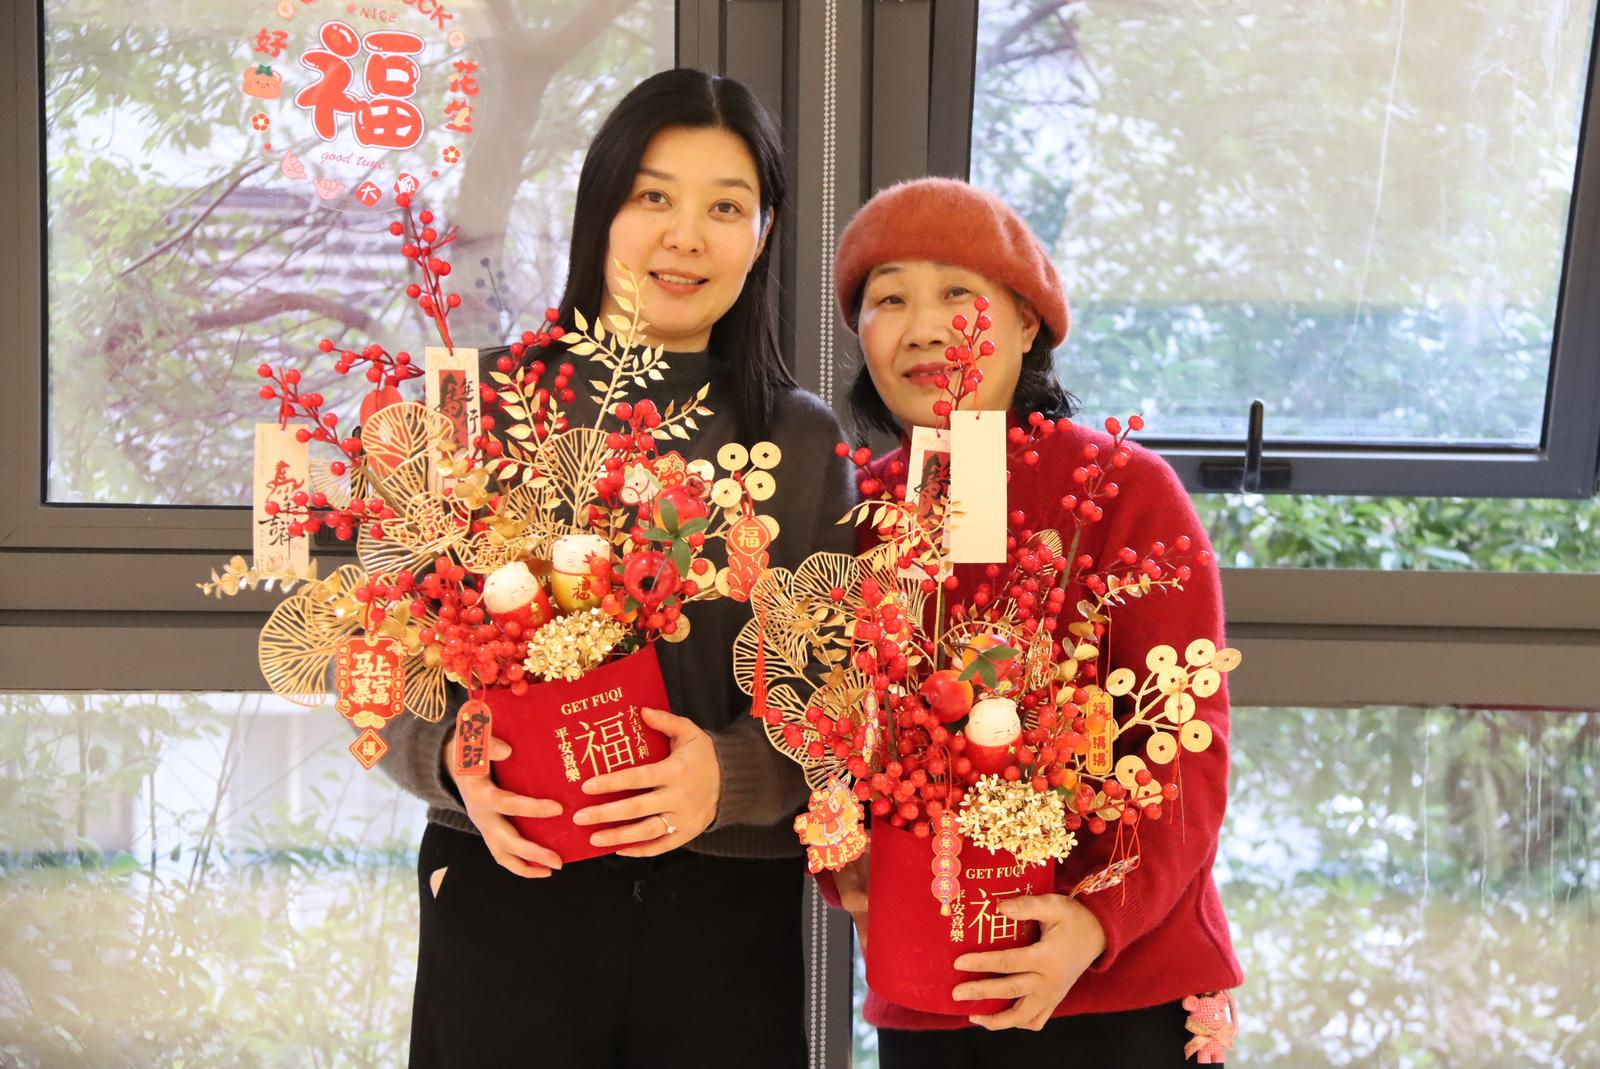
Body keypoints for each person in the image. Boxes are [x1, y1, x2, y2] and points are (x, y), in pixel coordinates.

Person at [375, 69, 856, 1069]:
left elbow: (837, 698)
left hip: (724, 924)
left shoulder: (803, 441)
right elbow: (372, 655)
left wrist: (727, 775)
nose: (686, 236)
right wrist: (453, 761)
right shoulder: (474, 407)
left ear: (762, 233)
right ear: (600, 209)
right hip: (508, 889)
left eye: (725, 207)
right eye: (653, 196)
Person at [827, 177, 1242, 1067]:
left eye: (957, 293)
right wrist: (848, 860)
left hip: (1126, 981)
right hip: (936, 989)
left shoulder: (1124, 491)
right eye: (888, 299)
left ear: (1026, 324)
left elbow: (1187, 743)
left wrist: (1096, 921)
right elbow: (825, 735)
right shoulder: (856, 511)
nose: (923, 328)